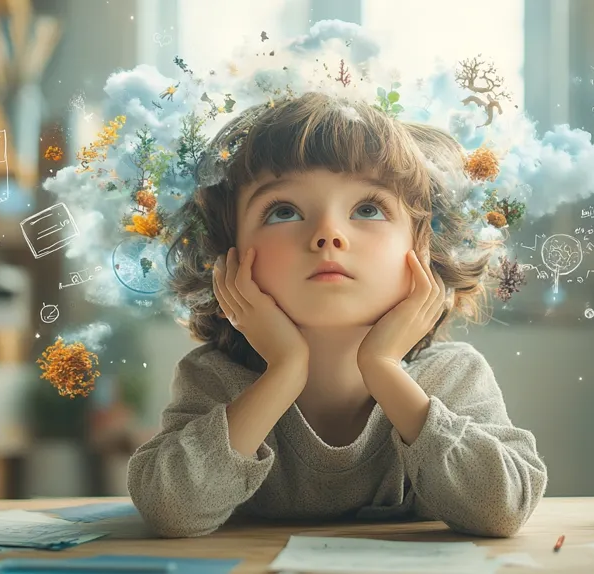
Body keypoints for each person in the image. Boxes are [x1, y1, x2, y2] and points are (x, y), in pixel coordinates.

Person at [127, 91, 547, 538]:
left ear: (425, 249)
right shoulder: (213, 378)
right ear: (225, 255)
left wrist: (382, 368)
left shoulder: (453, 376)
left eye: (368, 209)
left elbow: (504, 509)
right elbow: (169, 510)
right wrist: (286, 370)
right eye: (284, 211)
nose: (328, 234)